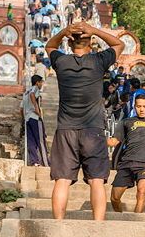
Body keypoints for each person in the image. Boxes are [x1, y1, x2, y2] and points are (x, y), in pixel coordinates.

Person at [45, 20, 125, 221]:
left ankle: (58, 224)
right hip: (93, 130)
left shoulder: (61, 62)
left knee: (62, 180)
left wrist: (64, 31)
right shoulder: (98, 62)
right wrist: (95, 30)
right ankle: (97, 224)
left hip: (66, 130)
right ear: (91, 43)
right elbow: (118, 44)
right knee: (97, 180)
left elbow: (50, 46)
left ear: (70, 43)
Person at [22, 74, 48, 167]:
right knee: (40, 140)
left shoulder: (25, 92)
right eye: (41, 82)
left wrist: (24, 118)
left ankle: (35, 161)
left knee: (31, 141)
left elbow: (21, 108)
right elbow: (33, 95)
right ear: (37, 82)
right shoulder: (34, 89)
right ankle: (45, 162)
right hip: (35, 118)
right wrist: (37, 110)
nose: (42, 84)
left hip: (27, 119)